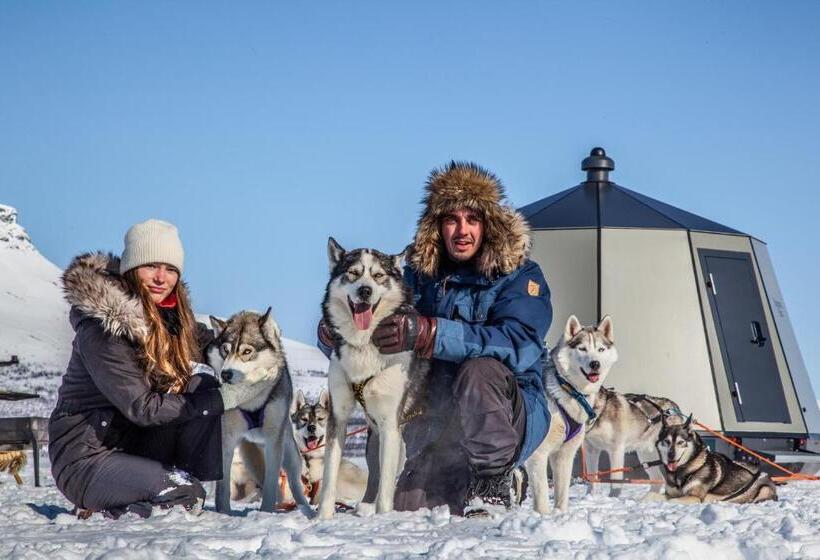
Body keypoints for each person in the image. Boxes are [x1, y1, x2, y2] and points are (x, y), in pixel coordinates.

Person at [320, 162, 552, 516]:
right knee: (409, 506)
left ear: (489, 224)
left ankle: (494, 478)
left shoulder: (520, 276)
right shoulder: (419, 275)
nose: (462, 230)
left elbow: (519, 344)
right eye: (451, 220)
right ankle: (451, 473)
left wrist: (432, 333)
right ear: (437, 227)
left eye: (472, 219)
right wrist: (334, 335)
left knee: (480, 370)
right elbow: (373, 322)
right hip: (441, 419)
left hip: (508, 411)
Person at [49, 219, 261, 518]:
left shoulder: (172, 320)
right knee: (185, 493)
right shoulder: (105, 329)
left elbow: (217, 346)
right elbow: (143, 408)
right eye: (151, 266)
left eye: (171, 269)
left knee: (202, 384)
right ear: (132, 269)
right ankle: (112, 504)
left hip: (131, 446)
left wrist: (260, 355)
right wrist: (222, 400)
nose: (161, 278)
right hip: (86, 458)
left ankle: (166, 480)